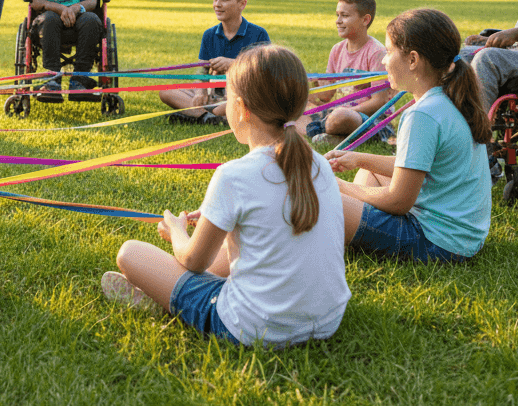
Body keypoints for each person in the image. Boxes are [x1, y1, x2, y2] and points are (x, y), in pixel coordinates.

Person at [102, 45, 350, 347]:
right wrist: (216, 217)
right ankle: (166, 289)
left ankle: (163, 297)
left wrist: (177, 231)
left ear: (242, 108)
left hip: (255, 328)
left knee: (131, 253)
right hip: (327, 320)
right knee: (220, 254)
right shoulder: (320, 164)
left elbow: (192, 260)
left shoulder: (233, 175)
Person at [327, 8, 492, 263]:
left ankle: (349, 229)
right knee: (368, 173)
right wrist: (358, 158)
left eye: (389, 51)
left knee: (324, 199)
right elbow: (416, 165)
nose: (383, 60)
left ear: (413, 60)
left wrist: (336, 186)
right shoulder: (448, 99)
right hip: (463, 238)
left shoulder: (422, 115)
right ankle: (355, 227)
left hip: (436, 242)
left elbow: (398, 201)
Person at [159, 0, 269, 125]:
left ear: (242, 4)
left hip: (243, 96)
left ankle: (198, 115)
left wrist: (233, 64)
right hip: (214, 95)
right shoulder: (209, 35)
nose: (217, 4)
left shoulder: (258, 34)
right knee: (166, 91)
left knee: (251, 102)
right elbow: (201, 70)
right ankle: (210, 118)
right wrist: (200, 91)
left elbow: (265, 73)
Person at [304, 0, 397, 147]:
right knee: (297, 107)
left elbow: (379, 102)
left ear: (365, 20)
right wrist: (307, 87)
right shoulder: (337, 50)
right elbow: (326, 95)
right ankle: (334, 135)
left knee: (340, 117)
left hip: (372, 121)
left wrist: (344, 112)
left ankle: (323, 131)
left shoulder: (376, 52)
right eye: (337, 15)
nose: (338, 21)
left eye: (345, 16)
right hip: (337, 114)